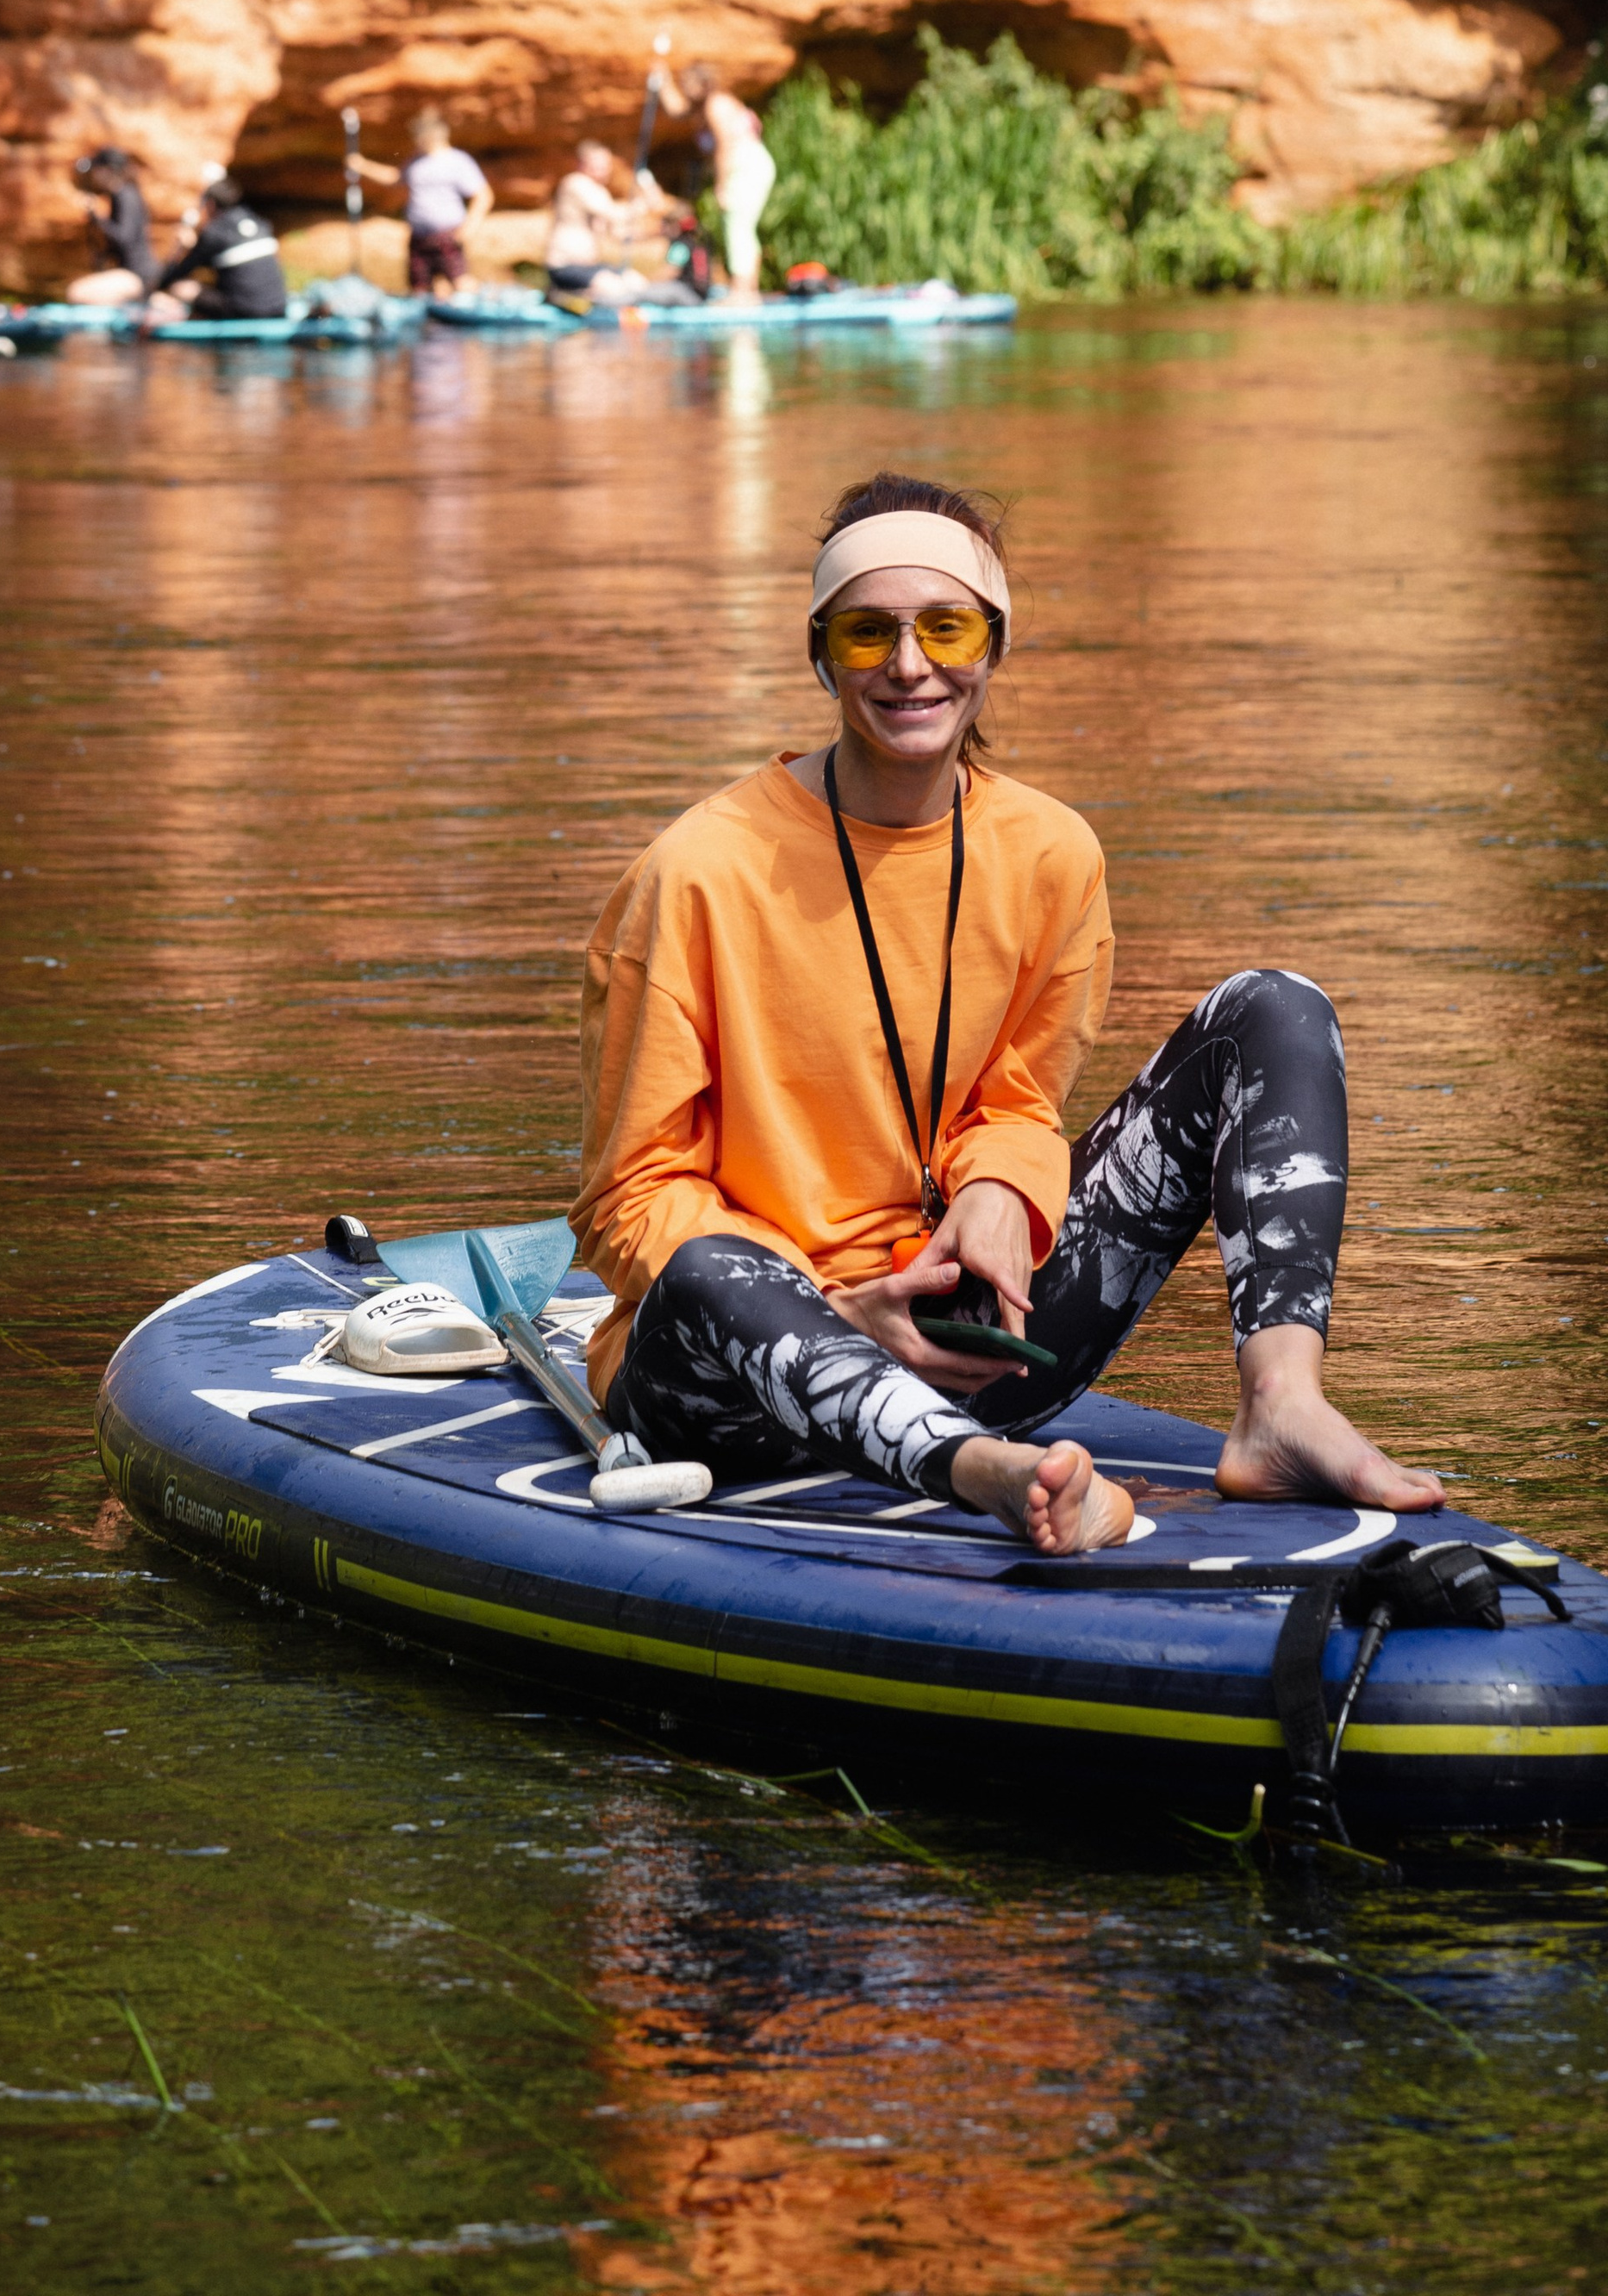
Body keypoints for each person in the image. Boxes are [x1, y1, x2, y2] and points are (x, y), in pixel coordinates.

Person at [573, 471, 1443, 1557]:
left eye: (944, 627)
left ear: (993, 644)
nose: (908, 666)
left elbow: (1017, 1102)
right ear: (818, 648)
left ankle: (1281, 1406)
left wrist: (996, 1190)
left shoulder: (1051, 854)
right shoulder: (694, 874)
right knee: (706, 1271)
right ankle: (989, 1478)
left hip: (970, 1350)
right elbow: (626, 1198)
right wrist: (838, 1312)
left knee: (1272, 1011)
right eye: (866, 633)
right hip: (738, 1391)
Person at [347, 109, 493, 296]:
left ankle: (483, 307)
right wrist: (362, 166)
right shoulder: (416, 161)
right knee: (420, 289)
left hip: (448, 236)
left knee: (460, 282)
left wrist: (470, 227)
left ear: (430, 136)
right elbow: (396, 178)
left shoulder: (458, 161)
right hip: (419, 238)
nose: (415, 141)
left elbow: (483, 195)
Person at [670, 62, 776, 300]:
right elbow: (677, 111)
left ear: (704, 83)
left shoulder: (716, 104)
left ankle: (742, 293)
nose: (685, 88)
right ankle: (748, 291)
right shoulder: (704, 106)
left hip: (745, 167)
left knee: (737, 225)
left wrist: (722, 184)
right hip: (750, 165)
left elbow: (724, 146)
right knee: (742, 227)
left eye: (689, 83)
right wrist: (663, 79)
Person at [143, 167, 289, 321]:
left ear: (211, 204)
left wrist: (183, 248)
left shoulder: (214, 233)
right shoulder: (258, 222)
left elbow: (177, 274)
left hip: (245, 312)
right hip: (278, 307)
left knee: (182, 288)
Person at [67, 146, 161, 305]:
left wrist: (96, 218)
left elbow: (124, 238)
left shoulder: (125, 195)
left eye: (96, 171)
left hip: (137, 275)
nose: (94, 177)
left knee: (77, 293)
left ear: (107, 171)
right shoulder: (125, 194)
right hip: (136, 275)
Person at [546, 140, 633, 296]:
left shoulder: (600, 192)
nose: (602, 169)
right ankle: (564, 298)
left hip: (589, 267)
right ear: (581, 164)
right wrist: (641, 205)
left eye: (605, 164)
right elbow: (612, 213)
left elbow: (617, 232)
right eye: (595, 163)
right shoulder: (575, 183)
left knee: (634, 282)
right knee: (615, 289)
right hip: (565, 266)